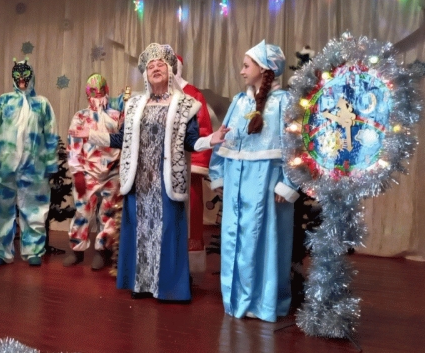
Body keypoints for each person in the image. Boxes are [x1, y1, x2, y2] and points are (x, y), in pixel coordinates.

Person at [72, 43, 229, 302]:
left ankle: (168, 288)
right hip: (140, 181)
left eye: (161, 65)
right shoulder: (134, 104)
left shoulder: (186, 105)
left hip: (166, 181)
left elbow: (190, 142)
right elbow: (123, 138)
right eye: (151, 66)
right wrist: (93, 135)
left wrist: (211, 139)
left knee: (167, 233)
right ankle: (142, 283)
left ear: (170, 71)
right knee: (141, 232)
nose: (155, 68)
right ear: (145, 73)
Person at [209, 40, 300, 322]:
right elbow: (223, 139)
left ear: (263, 68)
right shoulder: (240, 102)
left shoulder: (284, 103)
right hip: (236, 179)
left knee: (265, 238)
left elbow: (296, 147)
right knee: (235, 237)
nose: (241, 71)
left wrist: (288, 183)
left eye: (246, 65)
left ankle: (264, 302)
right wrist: (219, 174)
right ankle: (237, 298)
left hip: (267, 183)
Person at [0, 58, 59, 267]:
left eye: (26, 75)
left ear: (31, 76)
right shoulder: (4, 101)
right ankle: (1, 251)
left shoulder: (42, 104)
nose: (22, 80)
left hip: (34, 167)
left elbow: (51, 134)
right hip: (4, 166)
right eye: (18, 76)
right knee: (1, 211)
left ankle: (33, 250)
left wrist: (51, 163)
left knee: (35, 210)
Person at [65, 74, 123, 270]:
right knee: (82, 211)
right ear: (87, 94)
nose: (97, 95)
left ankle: (102, 250)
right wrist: (77, 172)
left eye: (101, 91)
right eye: (93, 92)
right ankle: (77, 250)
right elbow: (73, 145)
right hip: (88, 172)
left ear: (107, 91)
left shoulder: (116, 116)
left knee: (108, 212)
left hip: (112, 172)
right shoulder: (80, 117)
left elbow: (122, 141)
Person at [173, 55, 214, 275]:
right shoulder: (156, 96)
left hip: (188, 170)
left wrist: (197, 164)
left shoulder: (193, 95)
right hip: (163, 170)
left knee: (189, 218)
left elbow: (204, 129)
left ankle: (186, 269)